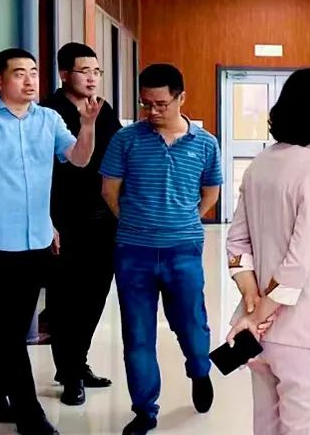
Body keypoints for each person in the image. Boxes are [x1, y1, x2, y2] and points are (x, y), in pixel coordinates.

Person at [0, 48, 99, 435]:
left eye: (34, 73)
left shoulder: (48, 119)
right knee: (10, 334)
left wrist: (88, 126)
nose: (29, 81)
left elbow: (77, 159)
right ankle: (29, 415)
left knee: (8, 329)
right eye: (19, 73)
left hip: (36, 240)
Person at [225, 67, 310, 435]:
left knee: (266, 427)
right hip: (304, 327)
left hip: (257, 333)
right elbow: (298, 263)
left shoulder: (260, 163)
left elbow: (237, 244)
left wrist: (252, 302)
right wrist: (259, 314)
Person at [100, 64, 222, 435]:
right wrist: (136, 223)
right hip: (133, 253)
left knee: (192, 325)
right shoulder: (126, 140)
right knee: (137, 335)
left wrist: (184, 221)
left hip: (182, 251)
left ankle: (199, 370)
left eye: (161, 104)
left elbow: (211, 192)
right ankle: (144, 410)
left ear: (181, 98)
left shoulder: (205, 143)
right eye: (146, 104)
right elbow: (109, 191)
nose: (152, 111)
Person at [42, 43, 123, 406]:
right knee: (65, 299)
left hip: (102, 218)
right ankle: (70, 372)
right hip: (63, 219)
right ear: (64, 74)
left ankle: (78, 362)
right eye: (84, 71)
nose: (92, 78)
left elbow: (120, 153)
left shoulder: (103, 110)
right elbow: (41, 172)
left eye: (96, 71)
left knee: (95, 294)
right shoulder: (48, 113)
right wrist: (46, 220)